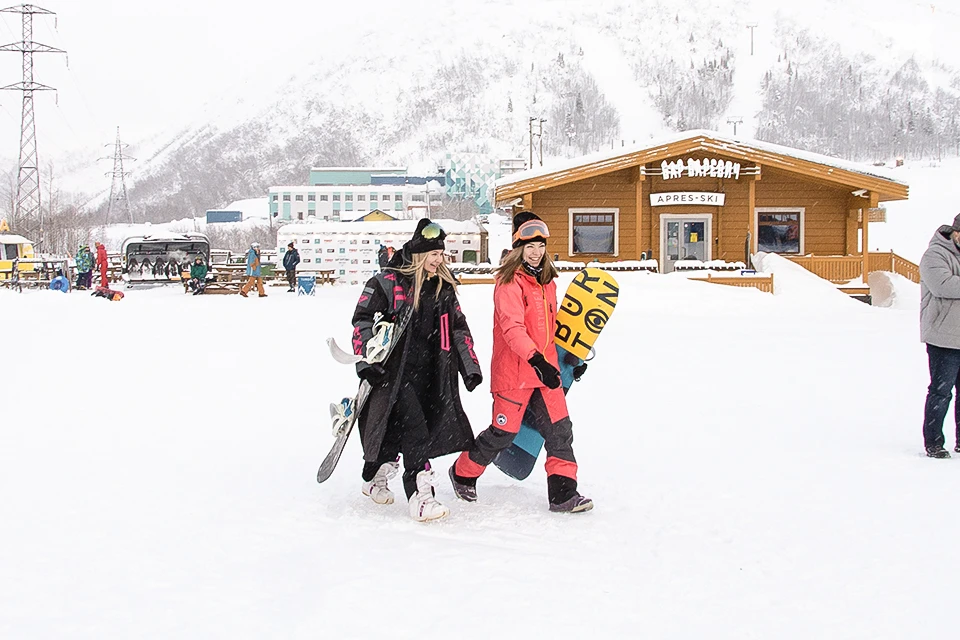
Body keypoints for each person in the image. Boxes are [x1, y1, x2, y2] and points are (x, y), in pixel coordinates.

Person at [449, 211, 593, 513]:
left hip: (545, 370)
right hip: (514, 372)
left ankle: (563, 494)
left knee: (560, 430)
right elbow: (512, 328)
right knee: (504, 433)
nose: (537, 252)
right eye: (530, 246)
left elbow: (551, 330)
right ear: (518, 248)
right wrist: (536, 360)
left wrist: (569, 360)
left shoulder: (547, 282)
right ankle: (462, 472)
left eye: (541, 245)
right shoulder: (508, 282)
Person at [352, 218, 482, 522]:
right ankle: (422, 497)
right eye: (432, 255)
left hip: (431, 375)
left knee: (399, 432)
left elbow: (459, 328)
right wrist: (367, 362)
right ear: (419, 254)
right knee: (416, 432)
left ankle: (376, 476)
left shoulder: (442, 288)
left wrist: (469, 366)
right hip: (392, 375)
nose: (438, 260)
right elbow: (362, 321)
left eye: (441, 254)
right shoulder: (387, 283)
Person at [919, 212, 960, 458]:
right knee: (941, 391)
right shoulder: (934, 254)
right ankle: (933, 442)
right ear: (956, 233)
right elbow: (942, 285)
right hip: (943, 336)